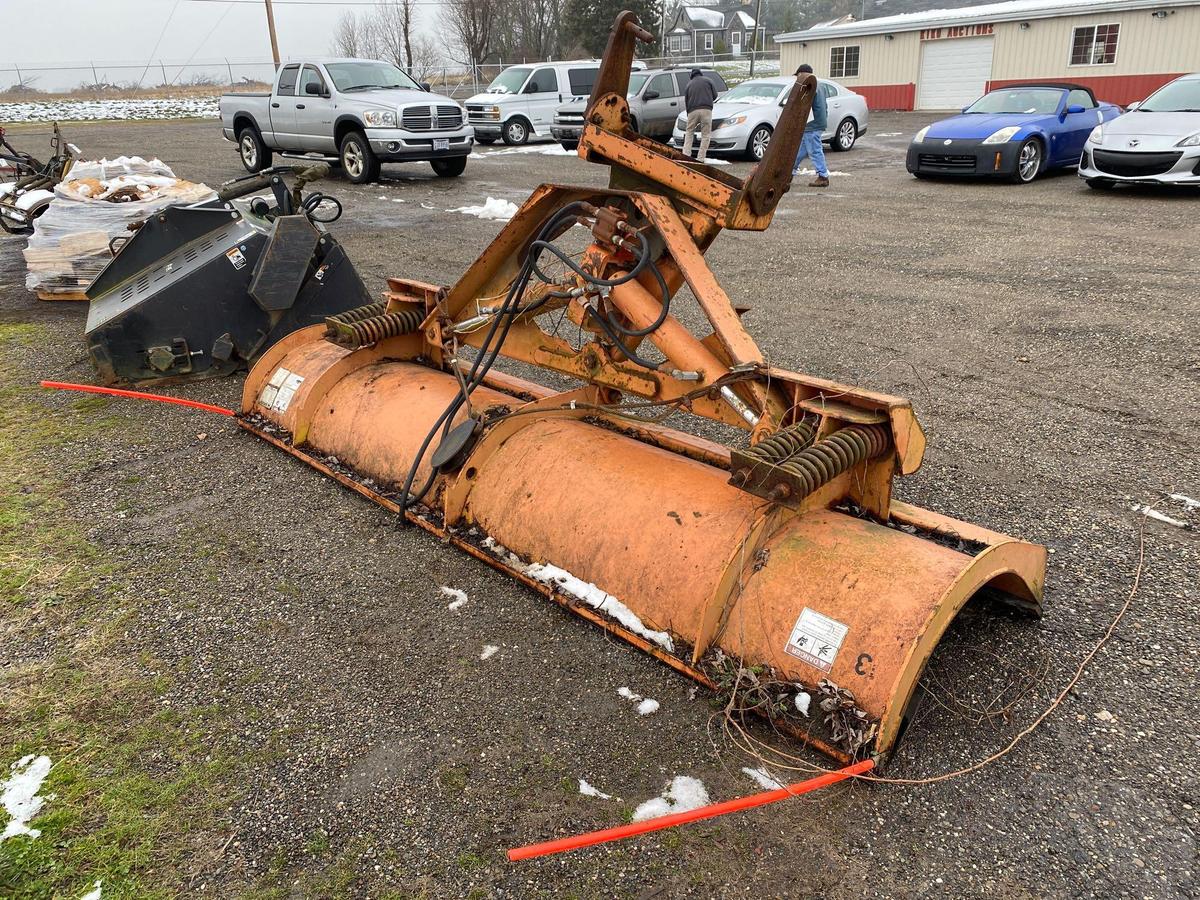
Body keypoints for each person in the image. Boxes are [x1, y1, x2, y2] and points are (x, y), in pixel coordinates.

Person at [791, 64, 829, 187]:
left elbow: (804, 106)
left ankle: (823, 176)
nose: (797, 78)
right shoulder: (820, 85)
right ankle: (789, 173)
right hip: (817, 123)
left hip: (812, 125)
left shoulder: (809, 86)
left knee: (814, 151)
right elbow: (825, 106)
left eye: (799, 75)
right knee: (799, 151)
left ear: (804, 74)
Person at [682, 68, 718, 162]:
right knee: (705, 135)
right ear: (700, 74)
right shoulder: (708, 81)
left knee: (689, 132)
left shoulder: (689, 84)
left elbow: (686, 100)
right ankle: (701, 158)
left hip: (692, 111)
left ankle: (686, 155)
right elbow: (715, 95)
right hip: (706, 110)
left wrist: (688, 113)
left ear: (692, 76)